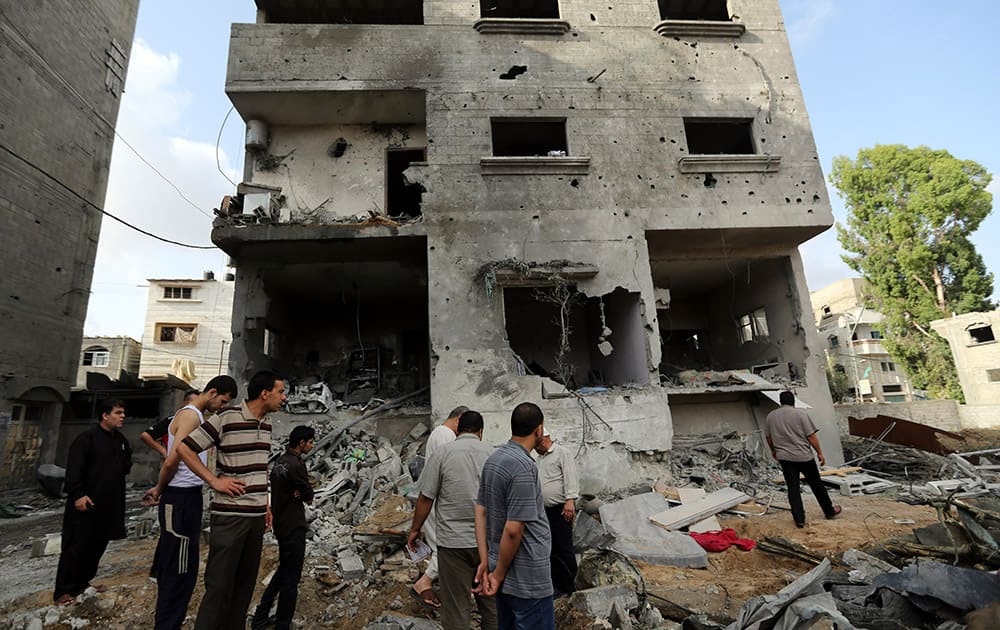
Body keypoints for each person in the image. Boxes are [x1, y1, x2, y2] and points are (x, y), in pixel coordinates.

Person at [173, 370, 286, 630]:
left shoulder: (267, 424)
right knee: (219, 585)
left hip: (256, 518)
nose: (284, 397)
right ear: (264, 393)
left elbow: (260, 468)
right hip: (231, 517)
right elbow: (184, 448)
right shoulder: (226, 418)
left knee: (244, 586)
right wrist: (213, 481)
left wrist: (266, 504)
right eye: (281, 391)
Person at [143, 377, 238, 630]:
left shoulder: (195, 416)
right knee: (179, 571)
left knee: (179, 566)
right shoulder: (191, 416)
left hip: (186, 497)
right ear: (213, 392)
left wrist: (159, 489)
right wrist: (163, 489)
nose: (221, 407)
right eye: (222, 401)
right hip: (181, 499)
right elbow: (173, 459)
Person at [408, 411, 497, 630]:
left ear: (458, 429)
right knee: (492, 606)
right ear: (480, 431)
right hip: (487, 543)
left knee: (456, 608)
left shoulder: (443, 454)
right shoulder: (493, 455)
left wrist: (415, 529)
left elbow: (426, 497)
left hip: (452, 544)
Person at [474, 402, 554, 630]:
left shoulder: (494, 460)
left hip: (504, 575)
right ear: (539, 429)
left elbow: (480, 511)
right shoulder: (522, 467)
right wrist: (497, 574)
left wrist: (485, 561)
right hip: (527, 579)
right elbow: (513, 530)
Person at [53, 399, 132, 605]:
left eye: (123, 413)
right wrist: (78, 494)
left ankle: (82, 582)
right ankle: (64, 590)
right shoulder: (86, 439)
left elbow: (125, 466)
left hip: (109, 505)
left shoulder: (121, 440)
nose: (122, 416)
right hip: (86, 503)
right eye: (118, 412)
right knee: (76, 546)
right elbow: (74, 470)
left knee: (97, 546)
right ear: (105, 416)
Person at [251, 425, 316, 630]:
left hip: (281, 524)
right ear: (302, 443)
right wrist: (302, 494)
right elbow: (308, 495)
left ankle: (260, 617)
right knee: (291, 578)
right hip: (294, 525)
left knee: (283, 571)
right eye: (310, 441)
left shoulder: (280, 461)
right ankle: (282, 624)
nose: (312, 445)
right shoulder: (296, 464)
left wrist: (299, 492)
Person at [411, 404, 469, 609]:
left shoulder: (440, 434)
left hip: (437, 499)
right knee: (443, 549)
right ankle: (423, 583)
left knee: (443, 548)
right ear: (459, 420)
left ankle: (433, 586)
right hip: (439, 501)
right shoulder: (444, 435)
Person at [766, 390, 842, 528]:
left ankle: (799, 519)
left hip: (785, 458)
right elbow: (811, 436)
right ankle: (829, 511)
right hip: (803, 456)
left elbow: (769, 438)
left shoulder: (771, 416)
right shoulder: (800, 414)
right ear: (793, 401)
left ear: (780, 402)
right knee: (817, 485)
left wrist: (773, 450)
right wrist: (819, 453)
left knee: (793, 488)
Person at [534, 427, 579, 597]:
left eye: (537, 444)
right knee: (550, 548)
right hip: (545, 511)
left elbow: (570, 477)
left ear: (545, 439)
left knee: (564, 547)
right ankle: (557, 586)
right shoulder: (539, 459)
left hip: (560, 509)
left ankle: (571, 586)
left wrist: (570, 500)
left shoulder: (562, 453)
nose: (536, 448)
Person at [139, 390, 200, 458]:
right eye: (194, 404)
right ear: (185, 404)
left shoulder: (200, 421)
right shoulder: (173, 420)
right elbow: (145, 436)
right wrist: (164, 452)